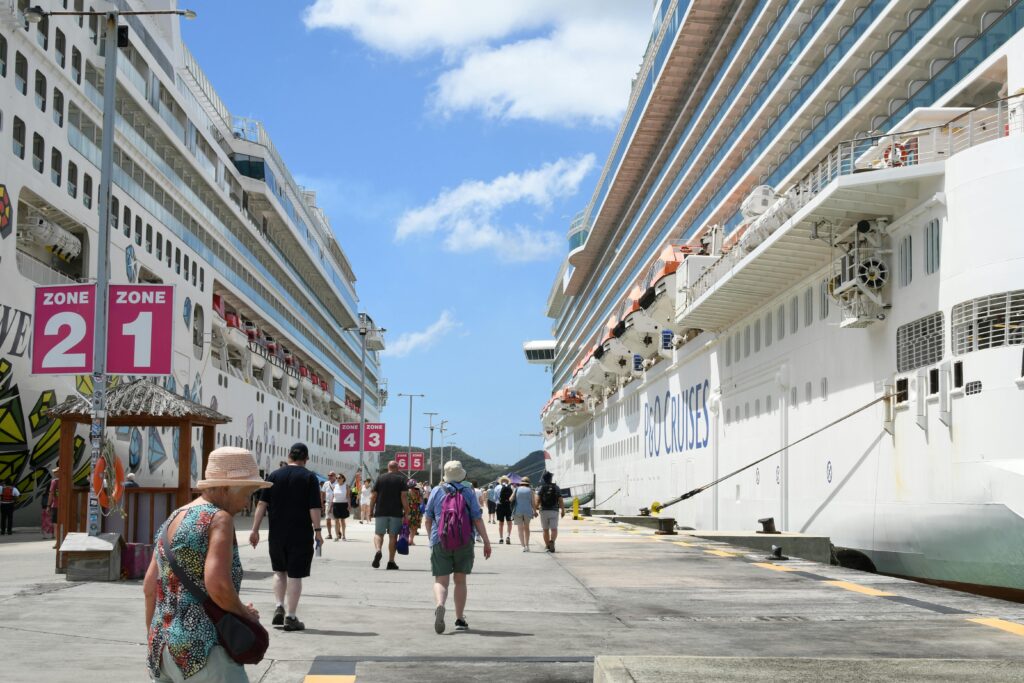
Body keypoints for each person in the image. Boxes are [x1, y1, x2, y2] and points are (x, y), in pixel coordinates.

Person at [144, 446, 271, 682]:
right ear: (225, 488)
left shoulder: (173, 517)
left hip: (162, 650)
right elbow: (218, 586)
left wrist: (155, 637)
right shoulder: (218, 518)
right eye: (247, 493)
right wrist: (245, 614)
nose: (247, 503)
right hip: (202, 650)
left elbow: (149, 587)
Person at [249, 443, 323, 632]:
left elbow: (262, 504)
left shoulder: (274, 476)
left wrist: (254, 530)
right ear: (306, 458)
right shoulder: (309, 477)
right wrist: (318, 531)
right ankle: (291, 616)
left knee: (279, 571)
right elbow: (314, 507)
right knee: (295, 575)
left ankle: (279, 605)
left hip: (277, 533)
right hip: (300, 533)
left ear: (289, 455)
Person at [423, 461, 491, 633]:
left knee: (441, 580)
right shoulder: (468, 492)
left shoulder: (436, 491)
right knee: (460, 581)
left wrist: (432, 539)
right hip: (464, 540)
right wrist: (486, 541)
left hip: (440, 539)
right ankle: (460, 619)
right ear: (461, 474)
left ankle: (440, 604)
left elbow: (428, 518)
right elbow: (477, 518)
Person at [370, 461, 409, 570]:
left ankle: (378, 550)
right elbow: (403, 497)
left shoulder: (380, 478)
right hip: (396, 512)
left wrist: (370, 510)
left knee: (379, 534)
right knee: (393, 536)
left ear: (388, 467)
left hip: (381, 511)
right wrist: (407, 511)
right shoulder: (401, 479)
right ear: (397, 468)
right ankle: (391, 562)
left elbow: (373, 496)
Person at [536, 472, 565, 553]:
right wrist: (563, 510)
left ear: (544, 479)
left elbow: (537, 500)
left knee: (545, 530)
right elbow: (560, 500)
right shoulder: (556, 487)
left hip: (544, 511)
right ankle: (552, 541)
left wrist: (534, 510)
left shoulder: (542, 488)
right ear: (551, 479)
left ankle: (547, 545)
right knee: (554, 529)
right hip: (554, 511)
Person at [512, 477, 538, 551]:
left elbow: (511, 499)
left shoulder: (516, 489)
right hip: (528, 511)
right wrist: (535, 511)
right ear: (528, 483)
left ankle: (523, 546)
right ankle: (527, 545)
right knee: (527, 528)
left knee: (520, 529)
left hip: (518, 510)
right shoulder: (531, 490)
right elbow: (533, 502)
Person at [495, 476, 514, 545]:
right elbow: (512, 498)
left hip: (500, 506)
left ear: (501, 481)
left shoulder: (497, 487)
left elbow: (495, 498)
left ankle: (501, 538)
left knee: (501, 523)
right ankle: (508, 536)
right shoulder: (511, 487)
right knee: (509, 522)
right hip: (508, 506)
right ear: (507, 481)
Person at [332, 474, 350, 541]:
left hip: (343, 504)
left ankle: (343, 536)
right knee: (336, 520)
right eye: (337, 478)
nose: (337, 479)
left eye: (339, 478)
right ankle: (337, 536)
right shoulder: (335, 486)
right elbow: (333, 496)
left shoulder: (346, 486)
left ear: (343, 478)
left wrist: (349, 505)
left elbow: (348, 496)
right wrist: (331, 506)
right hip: (336, 504)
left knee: (342, 520)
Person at [321, 472, 338, 540]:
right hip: (328, 503)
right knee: (328, 519)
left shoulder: (337, 483)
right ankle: (329, 534)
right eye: (329, 475)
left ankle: (338, 533)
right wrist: (322, 503)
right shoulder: (326, 483)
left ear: (335, 476)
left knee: (336, 520)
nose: (329, 476)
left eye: (331, 475)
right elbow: (322, 493)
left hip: (336, 503)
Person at [406, 479, 423, 546]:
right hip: (415, 511)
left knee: (407, 526)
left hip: (407, 510)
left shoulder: (406, 492)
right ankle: (411, 540)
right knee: (414, 527)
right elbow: (421, 502)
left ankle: (407, 540)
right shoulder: (417, 492)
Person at [46, 467, 59, 544]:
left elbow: (51, 494)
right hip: (65, 506)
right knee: (64, 524)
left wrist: (48, 505)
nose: (54, 473)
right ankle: (62, 541)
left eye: (55, 472)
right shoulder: (67, 481)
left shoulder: (54, 482)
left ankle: (57, 542)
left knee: (56, 525)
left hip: (55, 506)